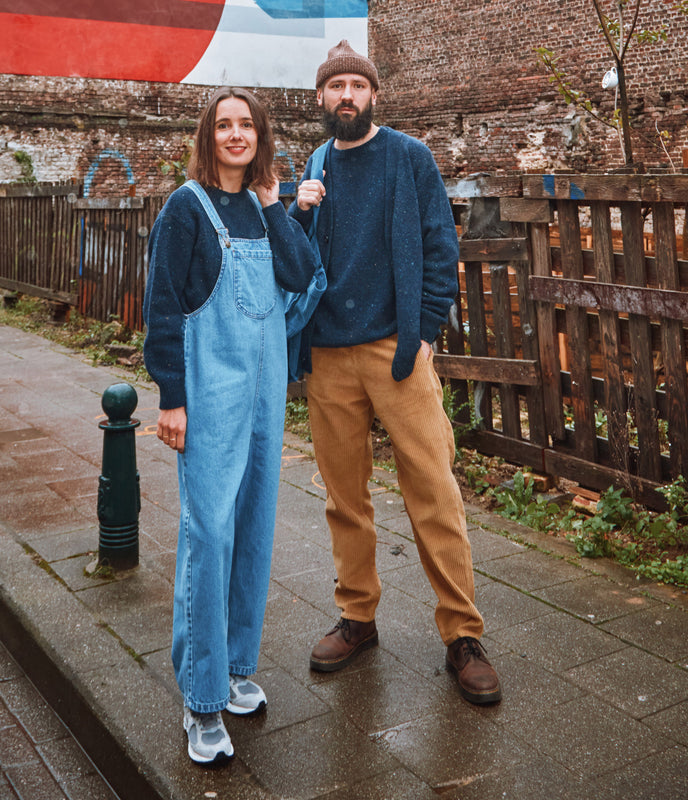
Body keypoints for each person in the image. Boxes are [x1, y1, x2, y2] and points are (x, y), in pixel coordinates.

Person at [288, 41, 502, 705]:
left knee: (433, 490)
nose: (346, 95)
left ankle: (462, 635)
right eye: (335, 86)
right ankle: (358, 618)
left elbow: (442, 245)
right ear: (321, 99)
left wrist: (426, 334)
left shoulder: (411, 157)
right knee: (343, 496)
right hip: (328, 354)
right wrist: (299, 212)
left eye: (357, 84)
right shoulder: (317, 162)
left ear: (373, 94)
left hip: (396, 352)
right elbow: (295, 262)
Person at [143, 86, 317, 765]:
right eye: (225, 125)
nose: (236, 135)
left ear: (261, 136)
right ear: (207, 136)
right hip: (209, 399)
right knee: (208, 537)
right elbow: (162, 308)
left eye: (247, 125)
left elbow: (303, 275)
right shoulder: (187, 209)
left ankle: (238, 668)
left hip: (264, 399)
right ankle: (201, 697)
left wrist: (276, 206)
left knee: (253, 530)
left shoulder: (261, 205)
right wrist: (171, 398)